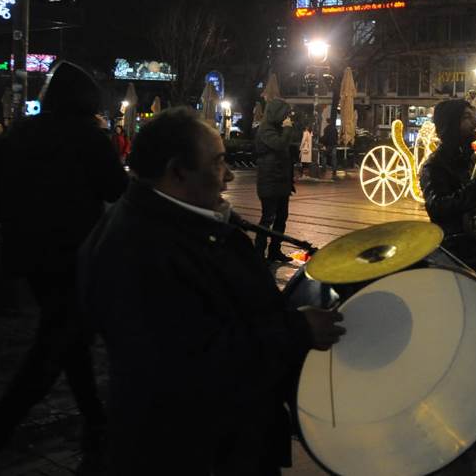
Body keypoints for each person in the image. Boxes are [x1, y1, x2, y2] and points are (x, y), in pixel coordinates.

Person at [78, 108, 344, 475]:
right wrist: (297, 331)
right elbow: (191, 359)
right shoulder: (139, 248)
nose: (229, 175)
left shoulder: (169, 222)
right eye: (219, 162)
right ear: (177, 171)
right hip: (199, 450)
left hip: (220, 439)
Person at [0, 61, 128, 465]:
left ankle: (96, 423)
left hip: (27, 254)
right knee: (57, 343)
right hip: (74, 252)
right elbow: (115, 188)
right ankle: (2, 424)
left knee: (70, 338)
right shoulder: (88, 136)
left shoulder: (20, 131)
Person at [420, 99, 476, 293]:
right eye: (466, 117)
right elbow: (437, 207)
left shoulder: (472, 160)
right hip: (456, 257)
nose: (474, 122)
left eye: (473, 116)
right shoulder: (435, 165)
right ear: (451, 124)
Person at [255, 99, 295, 263]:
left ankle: (274, 250)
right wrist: (287, 129)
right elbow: (278, 145)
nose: (287, 116)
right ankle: (258, 253)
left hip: (281, 182)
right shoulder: (265, 130)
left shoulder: (278, 129)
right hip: (269, 181)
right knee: (267, 218)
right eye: (284, 113)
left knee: (281, 217)